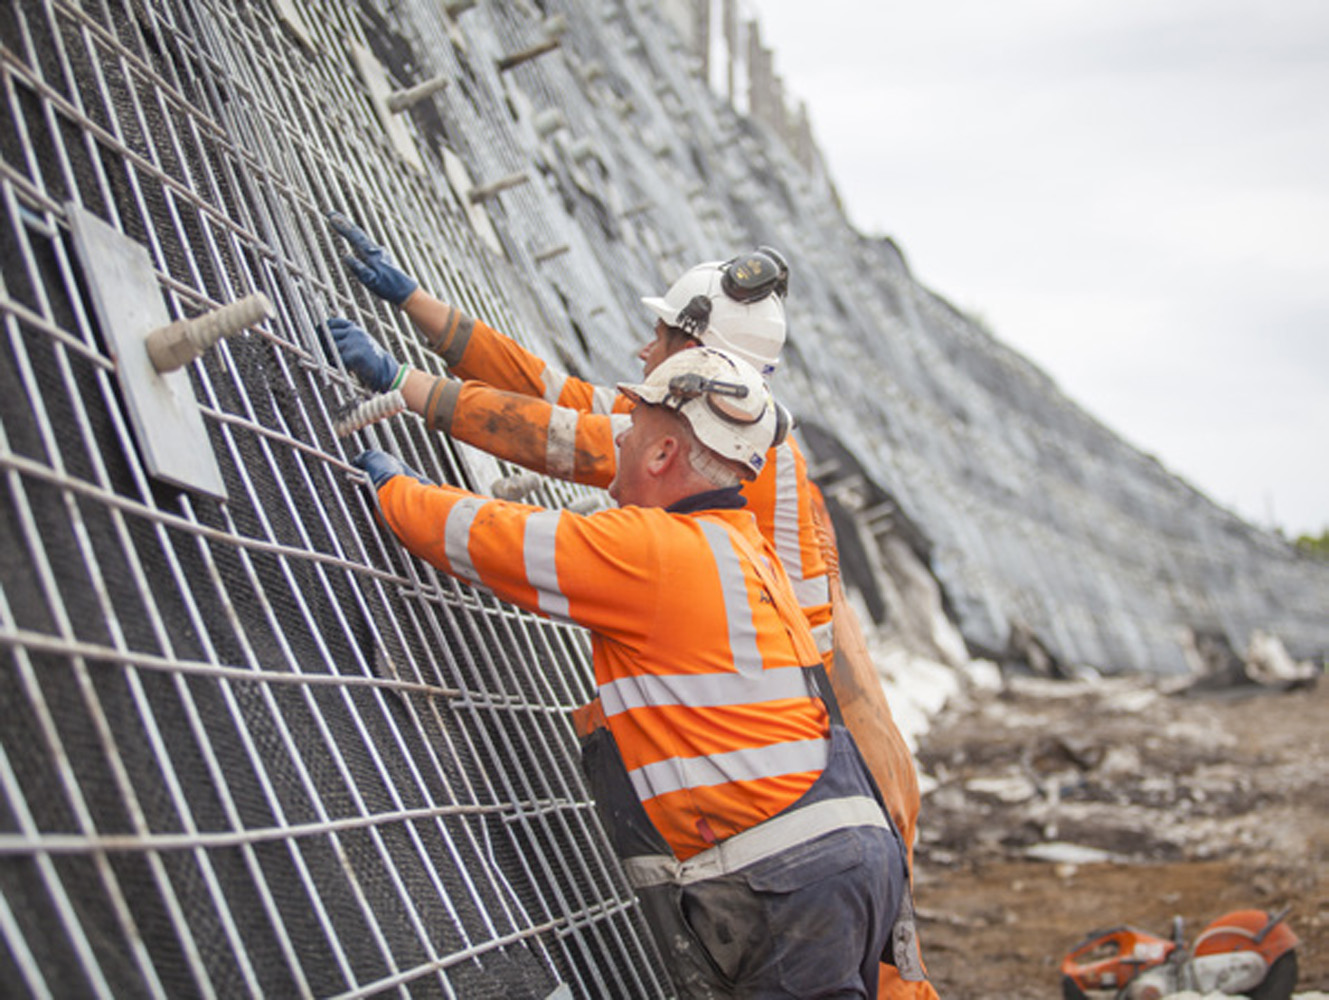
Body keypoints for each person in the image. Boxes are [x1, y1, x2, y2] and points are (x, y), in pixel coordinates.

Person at [327, 215, 935, 996]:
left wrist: (400, 388)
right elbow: (561, 395)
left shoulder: (694, 481)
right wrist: (422, 308)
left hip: (810, 781)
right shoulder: (731, 443)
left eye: (660, 337)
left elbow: (557, 437)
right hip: (818, 770)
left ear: (701, 354)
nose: (644, 352)